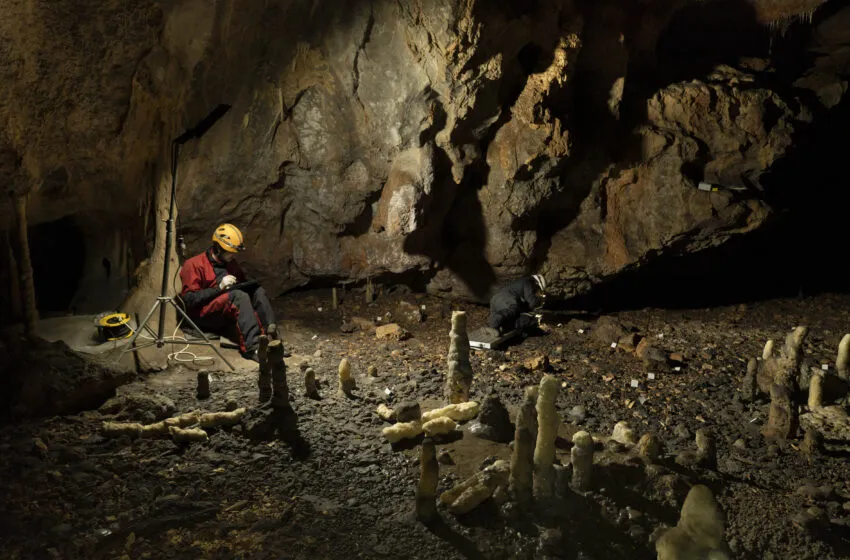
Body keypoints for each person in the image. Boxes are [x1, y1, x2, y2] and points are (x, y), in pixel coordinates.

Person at [179, 223, 277, 362]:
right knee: (239, 296)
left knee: (257, 291)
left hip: (225, 310)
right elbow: (189, 300)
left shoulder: (230, 263)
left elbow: (241, 285)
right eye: (230, 251)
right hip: (203, 316)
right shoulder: (194, 264)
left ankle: (272, 339)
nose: (233, 255)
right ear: (218, 248)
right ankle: (253, 348)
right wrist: (219, 287)